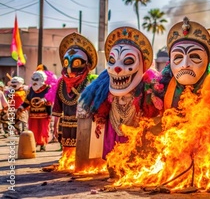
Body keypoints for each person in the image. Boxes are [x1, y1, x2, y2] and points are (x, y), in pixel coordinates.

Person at [79, 27, 163, 179]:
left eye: (128, 61)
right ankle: (113, 166)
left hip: (134, 127)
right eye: (112, 60)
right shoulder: (105, 89)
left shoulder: (147, 89)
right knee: (113, 156)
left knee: (134, 157)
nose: (117, 68)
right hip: (114, 124)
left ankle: (134, 169)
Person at [52, 32, 98, 169]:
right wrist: (54, 126)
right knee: (68, 152)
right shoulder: (61, 83)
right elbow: (57, 107)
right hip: (66, 124)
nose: (70, 69)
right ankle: (68, 162)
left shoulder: (91, 82)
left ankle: (84, 165)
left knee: (84, 150)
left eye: (76, 63)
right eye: (67, 63)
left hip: (85, 124)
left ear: (86, 65)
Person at [160, 17, 210, 110]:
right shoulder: (163, 85)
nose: (185, 64)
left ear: (207, 62)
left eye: (195, 56)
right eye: (178, 57)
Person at [18, 70, 52, 151]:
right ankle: (34, 143)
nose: (34, 82)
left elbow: (50, 99)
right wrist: (21, 108)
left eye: (36, 79)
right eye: (33, 79)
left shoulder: (48, 88)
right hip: (33, 114)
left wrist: (44, 100)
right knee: (33, 130)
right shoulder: (30, 90)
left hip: (44, 114)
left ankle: (43, 144)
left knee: (43, 130)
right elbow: (27, 101)